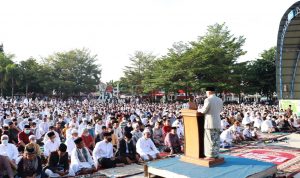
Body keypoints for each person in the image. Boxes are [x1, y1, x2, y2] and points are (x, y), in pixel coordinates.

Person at [197, 87, 223, 160]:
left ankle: (210, 155)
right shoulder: (220, 99)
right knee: (216, 139)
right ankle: (216, 154)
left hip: (210, 123)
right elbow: (221, 110)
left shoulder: (208, 100)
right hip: (217, 122)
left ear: (208, 92)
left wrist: (199, 109)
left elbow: (204, 111)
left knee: (210, 140)